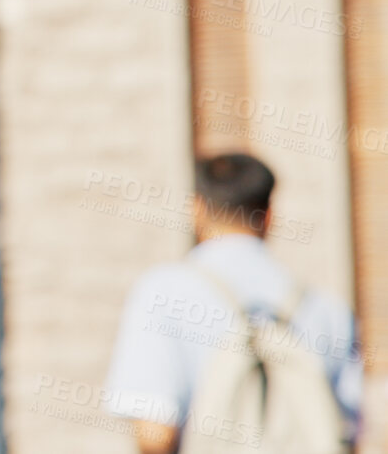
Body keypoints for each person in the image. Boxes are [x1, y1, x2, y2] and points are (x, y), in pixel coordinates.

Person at [103, 153, 364, 452]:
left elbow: (155, 432)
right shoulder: (327, 309)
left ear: (197, 210)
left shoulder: (161, 293)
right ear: (268, 216)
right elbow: (347, 432)